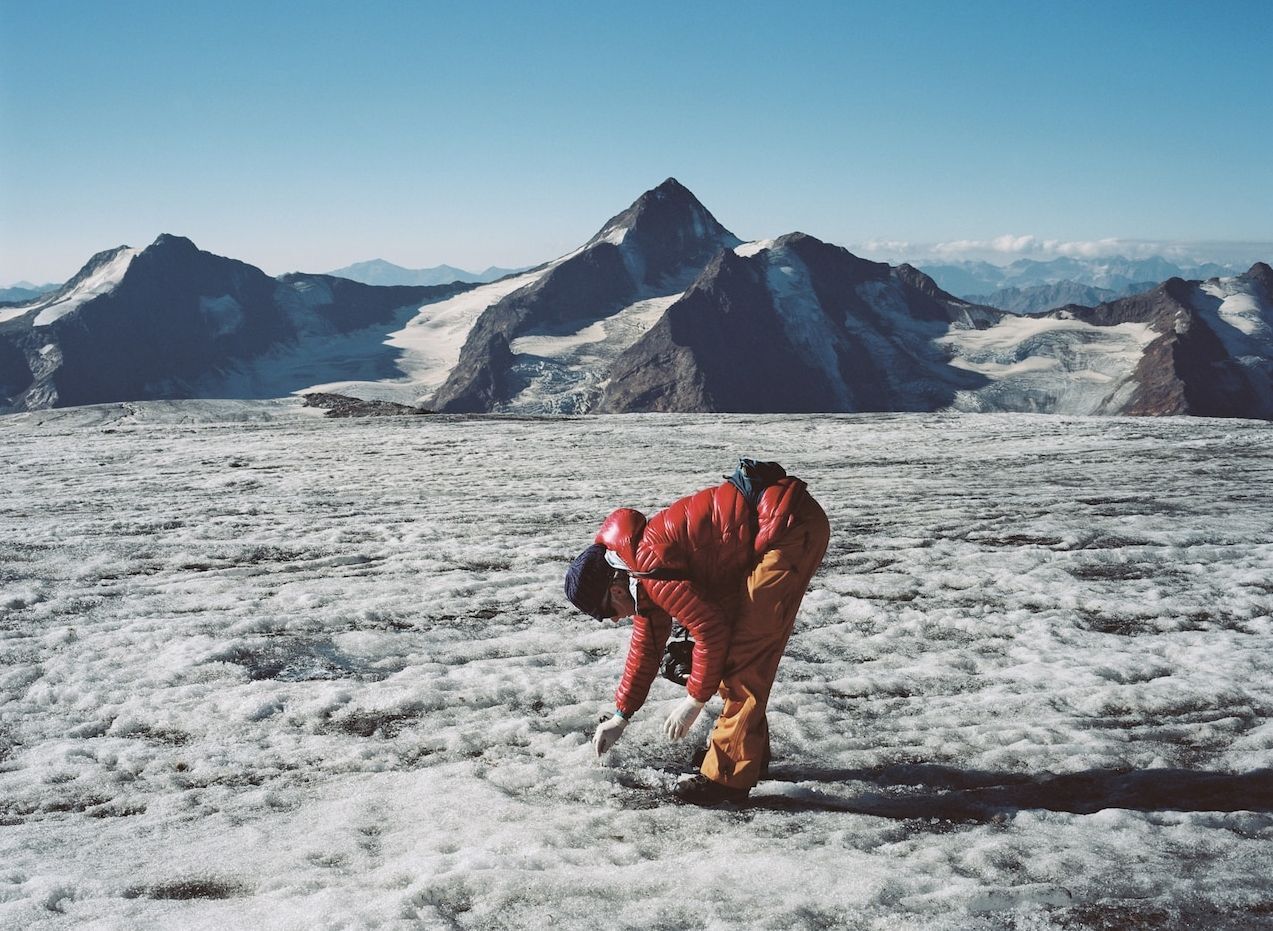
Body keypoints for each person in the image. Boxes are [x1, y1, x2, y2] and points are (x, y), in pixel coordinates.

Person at [564, 460, 830, 805]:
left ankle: (726, 780)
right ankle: (747, 756)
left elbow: (711, 632)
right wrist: (621, 716)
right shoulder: (642, 572)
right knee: (736, 656)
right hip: (782, 523)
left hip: (788, 531)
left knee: (742, 660)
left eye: (606, 614)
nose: (614, 621)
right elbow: (645, 649)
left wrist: (693, 701)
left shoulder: (649, 572)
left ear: (614, 591)